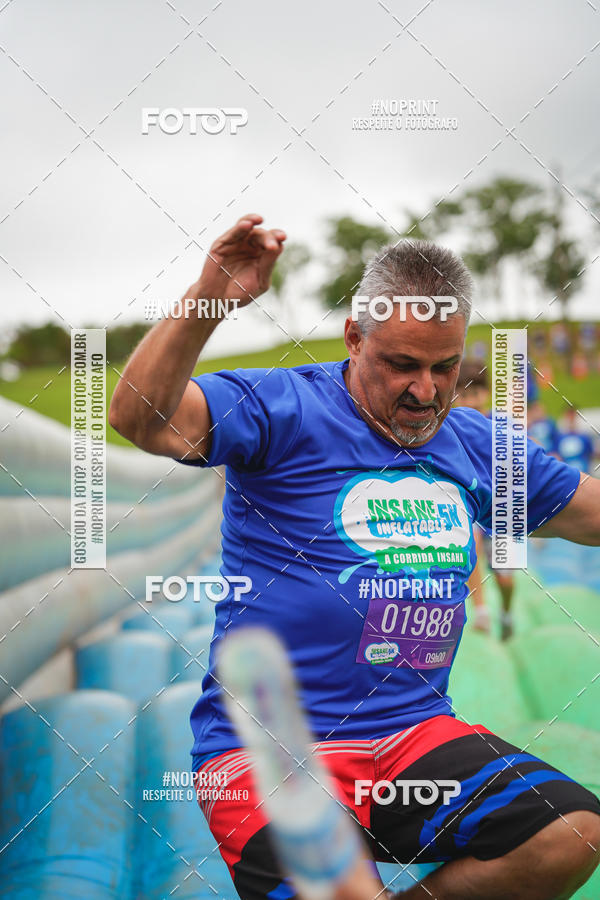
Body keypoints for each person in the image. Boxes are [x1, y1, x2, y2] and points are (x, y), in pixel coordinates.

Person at [109, 214, 600, 900]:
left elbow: (593, 513)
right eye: (401, 364)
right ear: (353, 338)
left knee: (571, 832)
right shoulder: (281, 408)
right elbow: (141, 418)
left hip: (412, 741)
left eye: (444, 368)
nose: (425, 391)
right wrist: (209, 298)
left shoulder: (476, 443)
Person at [453, 361, 515, 640]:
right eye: (462, 394)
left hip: (501, 508)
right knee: (471, 542)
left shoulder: (501, 428)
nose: (470, 400)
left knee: (505, 578)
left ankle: (506, 610)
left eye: (476, 392)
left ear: (486, 394)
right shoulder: (450, 428)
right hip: (470, 507)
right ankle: (481, 611)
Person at [555, 406, 595, 474]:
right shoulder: (559, 438)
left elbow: (591, 454)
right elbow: (556, 455)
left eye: (573, 417)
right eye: (569, 418)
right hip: (566, 474)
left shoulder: (584, 437)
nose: (571, 420)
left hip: (583, 473)